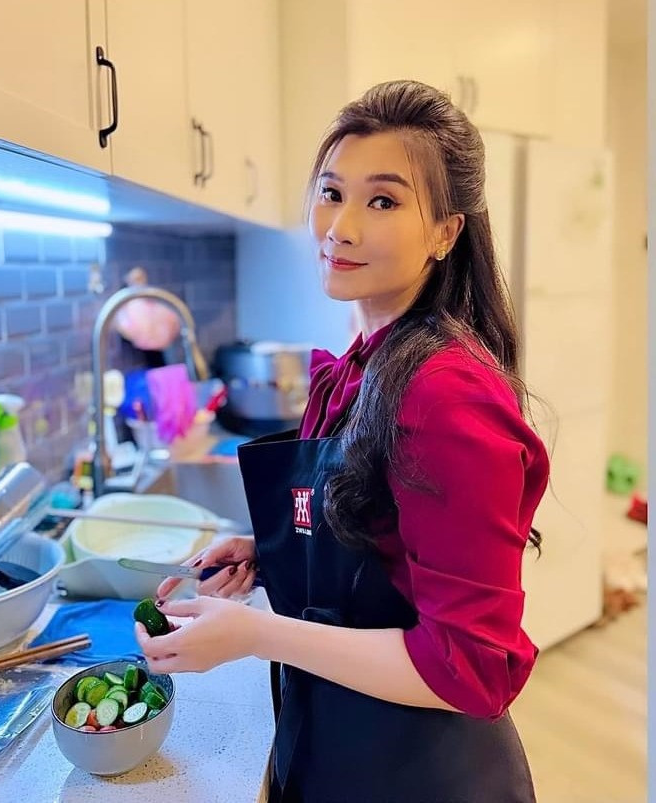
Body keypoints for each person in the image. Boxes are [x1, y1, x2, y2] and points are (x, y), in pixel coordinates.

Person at [135, 79, 550, 803]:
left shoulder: (446, 395)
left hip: (423, 774)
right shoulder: (362, 366)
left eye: (383, 201)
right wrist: (271, 555)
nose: (341, 227)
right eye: (332, 192)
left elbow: (474, 668)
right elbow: (385, 544)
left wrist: (256, 635)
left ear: (445, 232)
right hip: (342, 741)